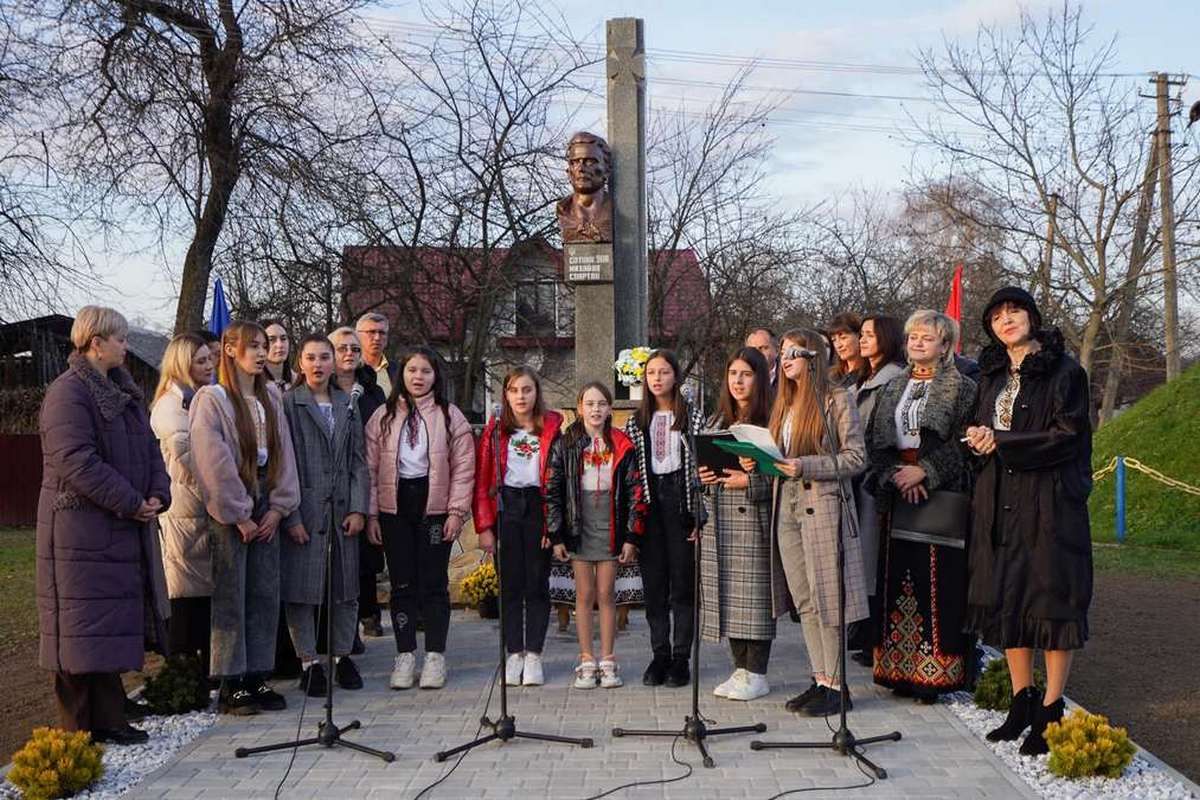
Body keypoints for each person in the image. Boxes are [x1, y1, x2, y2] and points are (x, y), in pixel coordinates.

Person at [964, 287, 1094, 756]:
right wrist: (979, 438)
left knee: (1052, 599)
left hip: (1050, 501)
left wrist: (1003, 442)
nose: (1005, 320)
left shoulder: (1065, 372)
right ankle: (1021, 702)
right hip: (1000, 498)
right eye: (996, 315)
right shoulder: (992, 375)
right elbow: (987, 427)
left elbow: (1067, 435)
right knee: (1010, 597)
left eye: (1014, 310)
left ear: (1032, 318)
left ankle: (1052, 708)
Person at [37, 306, 171, 746]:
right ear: (97, 343)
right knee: (78, 631)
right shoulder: (68, 394)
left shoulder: (123, 392)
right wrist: (131, 502)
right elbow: (77, 462)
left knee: (108, 623)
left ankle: (111, 719)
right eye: (121, 339)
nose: (126, 346)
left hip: (117, 528)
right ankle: (75, 734)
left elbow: (151, 450)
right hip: (78, 535)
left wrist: (156, 493)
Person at [190, 320, 301, 715]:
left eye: (264, 345)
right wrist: (239, 513)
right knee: (232, 593)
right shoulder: (213, 398)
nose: (260, 352)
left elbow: (284, 453)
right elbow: (212, 459)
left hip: (266, 497)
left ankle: (257, 673)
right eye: (252, 346)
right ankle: (230, 681)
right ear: (231, 350)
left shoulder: (271, 396)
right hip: (232, 503)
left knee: (264, 592)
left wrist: (277, 507)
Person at [867, 310, 977, 703]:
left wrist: (925, 472)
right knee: (896, 580)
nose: (916, 343)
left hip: (940, 493)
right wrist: (896, 474)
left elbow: (965, 443)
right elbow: (875, 441)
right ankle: (898, 671)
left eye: (926, 338)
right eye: (912, 336)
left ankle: (935, 677)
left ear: (945, 345)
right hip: (897, 492)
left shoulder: (962, 387)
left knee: (938, 582)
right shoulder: (893, 386)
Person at [757, 330, 867, 718]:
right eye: (782, 354)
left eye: (792, 353)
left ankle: (839, 685)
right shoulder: (782, 404)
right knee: (804, 601)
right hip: (786, 506)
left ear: (812, 357)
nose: (785, 360)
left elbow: (855, 459)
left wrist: (807, 465)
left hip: (821, 506)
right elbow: (778, 455)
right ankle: (821, 678)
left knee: (827, 600)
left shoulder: (836, 399)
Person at [365, 346, 475, 690]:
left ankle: (435, 656)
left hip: (434, 506)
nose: (418, 377)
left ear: (435, 376)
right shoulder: (383, 415)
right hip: (394, 507)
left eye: (425, 371)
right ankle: (405, 654)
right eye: (412, 370)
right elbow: (368, 468)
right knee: (402, 583)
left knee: (433, 583)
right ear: (402, 374)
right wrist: (371, 514)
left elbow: (463, 467)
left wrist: (456, 512)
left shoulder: (449, 415)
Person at [281, 335, 369, 696]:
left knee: (345, 587)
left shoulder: (347, 404)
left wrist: (359, 507)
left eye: (324, 358)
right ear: (300, 363)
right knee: (303, 589)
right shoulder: (289, 404)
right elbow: (283, 464)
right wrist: (291, 516)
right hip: (305, 510)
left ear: (334, 363)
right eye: (311, 358)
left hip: (343, 511)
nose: (318, 364)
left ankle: (341, 656)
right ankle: (308, 662)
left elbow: (359, 461)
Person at [547, 383, 645, 689]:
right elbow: (552, 491)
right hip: (580, 523)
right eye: (589, 403)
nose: (595, 409)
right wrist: (556, 534)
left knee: (606, 593)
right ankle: (586, 657)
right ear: (579, 408)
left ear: (609, 408)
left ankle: (608, 657)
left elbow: (634, 492)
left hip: (610, 523)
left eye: (602, 403)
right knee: (584, 595)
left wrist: (631, 535)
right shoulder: (565, 444)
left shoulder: (621, 444)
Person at [474, 366, 563, 687]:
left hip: (538, 507)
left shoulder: (551, 431)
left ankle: (534, 654)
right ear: (506, 396)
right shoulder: (495, 433)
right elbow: (482, 481)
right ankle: (514, 652)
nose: (521, 397)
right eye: (514, 390)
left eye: (527, 390)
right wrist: (484, 526)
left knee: (536, 584)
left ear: (536, 393)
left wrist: (553, 528)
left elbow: (559, 483)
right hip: (506, 508)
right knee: (510, 585)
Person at [698, 347, 777, 701]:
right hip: (720, 518)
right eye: (733, 375)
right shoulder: (717, 420)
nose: (739, 381)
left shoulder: (772, 419)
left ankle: (757, 671)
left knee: (754, 596)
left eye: (746, 374)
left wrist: (751, 480)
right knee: (728, 594)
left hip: (754, 517)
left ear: (760, 378)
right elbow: (703, 468)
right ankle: (740, 668)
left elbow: (783, 474)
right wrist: (704, 475)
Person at [625, 349, 706, 688]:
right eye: (652, 373)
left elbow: (703, 469)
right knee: (654, 585)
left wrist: (700, 517)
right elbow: (630, 476)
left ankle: (680, 657)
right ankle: (659, 655)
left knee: (683, 584)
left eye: (664, 372)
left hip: (681, 502)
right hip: (650, 504)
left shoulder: (693, 417)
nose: (657, 378)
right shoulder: (636, 421)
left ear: (676, 376)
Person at [151, 333, 217, 679]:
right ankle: (181, 671)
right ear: (182, 364)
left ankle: (204, 669)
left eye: (210, 359)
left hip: (201, 509)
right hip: (183, 510)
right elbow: (191, 455)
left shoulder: (199, 398)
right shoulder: (170, 405)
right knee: (184, 594)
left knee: (203, 593)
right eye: (202, 361)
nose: (210, 366)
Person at [846, 314, 907, 666]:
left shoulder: (892, 378)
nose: (862, 339)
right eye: (862, 334)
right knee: (864, 559)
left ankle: (877, 637)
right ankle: (867, 633)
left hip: (875, 478)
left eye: (869, 334)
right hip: (860, 476)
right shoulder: (862, 378)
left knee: (875, 559)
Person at [330, 326, 388, 640]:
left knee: (364, 555)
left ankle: (368, 613)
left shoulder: (371, 389)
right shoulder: (321, 389)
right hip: (330, 484)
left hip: (365, 477)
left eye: (354, 349)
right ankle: (341, 629)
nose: (349, 354)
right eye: (342, 349)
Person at [355, 312, 397, 398]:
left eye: (382, 333)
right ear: (357, 336)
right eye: (371, 332)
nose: (377, 338)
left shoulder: (398, 370)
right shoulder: (349, 370)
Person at [827, 312, 865, 388]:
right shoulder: (830, 376)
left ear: (859, 336)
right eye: (834, 340)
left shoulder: (870, 375)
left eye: (843, 338)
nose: (838, 345)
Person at [261, 319, 294, 391]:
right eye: (272, 340)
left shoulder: (300, 382)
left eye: (283, 338)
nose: (280, 345)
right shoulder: (253, 384)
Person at [746, 327, 780, 393]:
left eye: (763, 348)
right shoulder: (739, 379)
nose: (757, 353)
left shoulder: (788, 377)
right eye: (752, 349)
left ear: (777, 350)